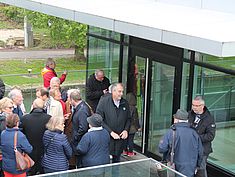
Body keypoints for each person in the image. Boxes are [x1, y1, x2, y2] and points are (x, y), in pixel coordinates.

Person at [159, 109, 203, 177]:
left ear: (176, 120)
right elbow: (200, 152)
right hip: (190, 167)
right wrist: (197, 165)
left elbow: (162, 149)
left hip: (174, 166)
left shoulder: (171, 132)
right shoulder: (194, 133)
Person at [96, 83, 131, 163]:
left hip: (119, 140)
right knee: (104, 163)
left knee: (117, 163)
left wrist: (126, 130)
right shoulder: (104, 102)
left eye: (122, 91)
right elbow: (99, 119)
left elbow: (128, 119)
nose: (121, 94)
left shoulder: (125, 103)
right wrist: (110, 132)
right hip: (106, 139)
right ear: (113, 91)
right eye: (119, 91)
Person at [21, 98, 51, 175]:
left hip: (29, 152)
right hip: (44, 152)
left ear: (33, 106)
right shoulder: (49, 118)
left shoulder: (25, 118)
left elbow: (21, 134)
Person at [188, 96, 216, 177]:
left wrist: (195, 138)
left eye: (197, 106)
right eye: (193, 105)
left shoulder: (209, 118)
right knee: (188, 168)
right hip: (190, 148)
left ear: (202, 106)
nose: (194, 107)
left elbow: (210, 136)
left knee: (200, 170)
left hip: (202, 150)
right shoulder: (189, 114)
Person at [70, 89, 91, 167]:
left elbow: (83, 128)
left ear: (72, 99)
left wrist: (75, 137)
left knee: (80, 163)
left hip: (80, 142)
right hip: (79, 140)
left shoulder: (82, 110)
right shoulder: (81, 107)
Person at [0, 97, 14, 176]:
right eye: (9, 108)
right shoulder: (4, 121)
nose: (11, 109)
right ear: (3, 108)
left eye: (12, 107)